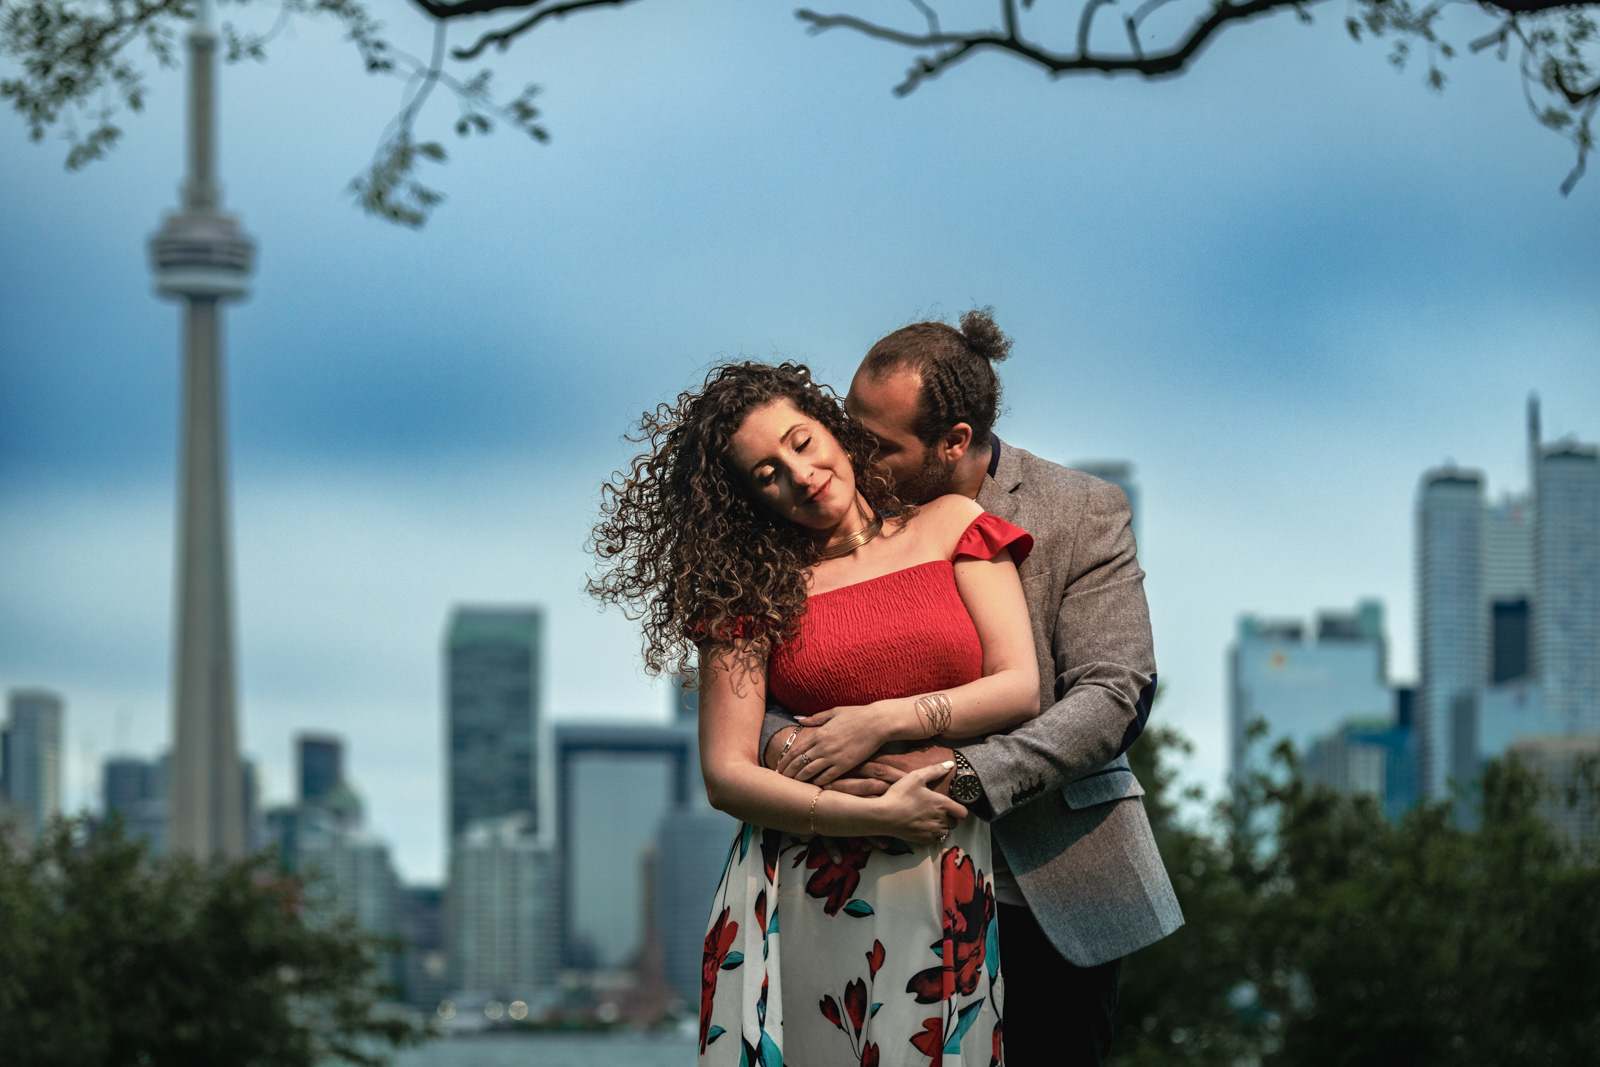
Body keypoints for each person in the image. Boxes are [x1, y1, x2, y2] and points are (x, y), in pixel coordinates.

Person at [761, 310, 1184, 1066]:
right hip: (867, 873)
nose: (851, 453)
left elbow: (1115, 695)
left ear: (954, 441)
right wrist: (795, 744)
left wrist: (959, 776)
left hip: (1050, 878)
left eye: (879, 443)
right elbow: (763, 686)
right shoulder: (827, 516)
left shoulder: (1083, 510)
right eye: (849, 427)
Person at [590, 361, 1042, 1065]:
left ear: (834, 427)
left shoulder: (954, 524)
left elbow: (1019, 687)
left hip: (945, 871)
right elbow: (726, 774)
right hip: (804, 885)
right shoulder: (748, 592)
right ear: (748, 497)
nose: (799, 474)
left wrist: (882, 720)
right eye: (767, 472)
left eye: (801, 442)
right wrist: (868, 816)